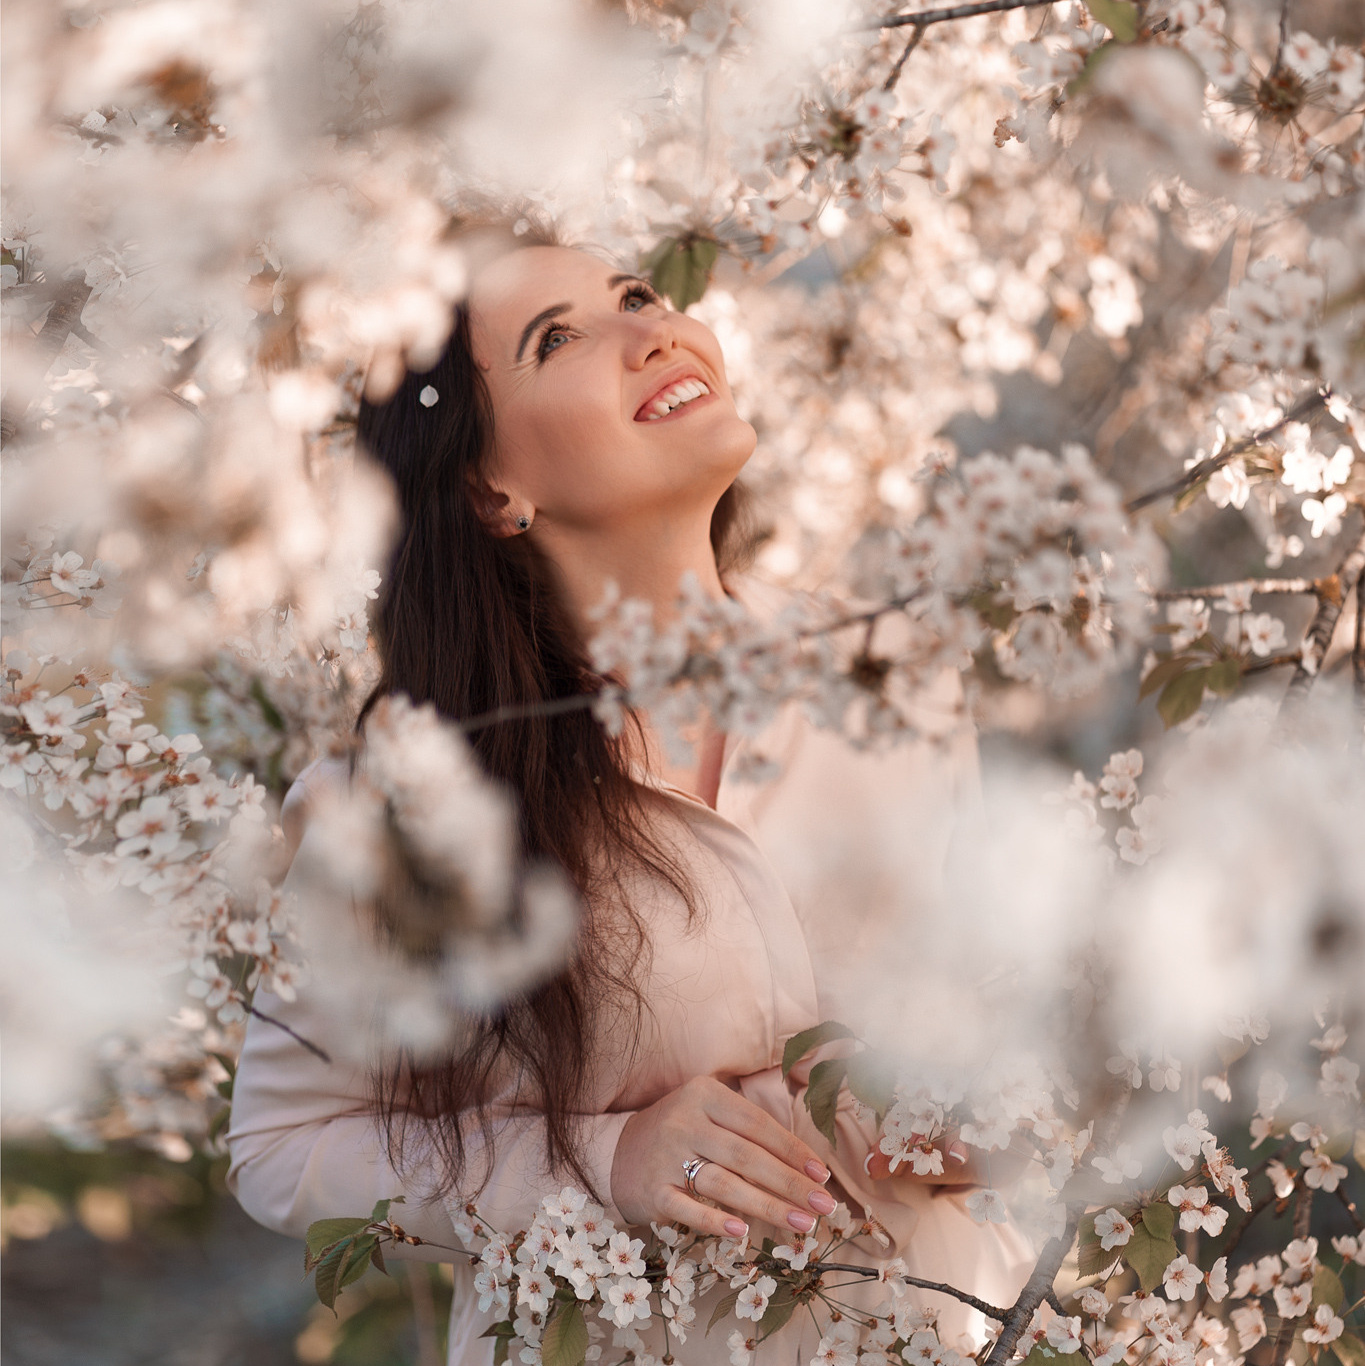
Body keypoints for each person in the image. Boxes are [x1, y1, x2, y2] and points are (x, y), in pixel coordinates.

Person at [226, 227, 1033, 1363]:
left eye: (638, 294)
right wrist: (603, 1159)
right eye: (560, 338)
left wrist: (992, 1116)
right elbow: (280, 1147)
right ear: (489, 484)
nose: (654, 329)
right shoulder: (397, 807)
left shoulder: (891, 668)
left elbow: (1007, 1021)